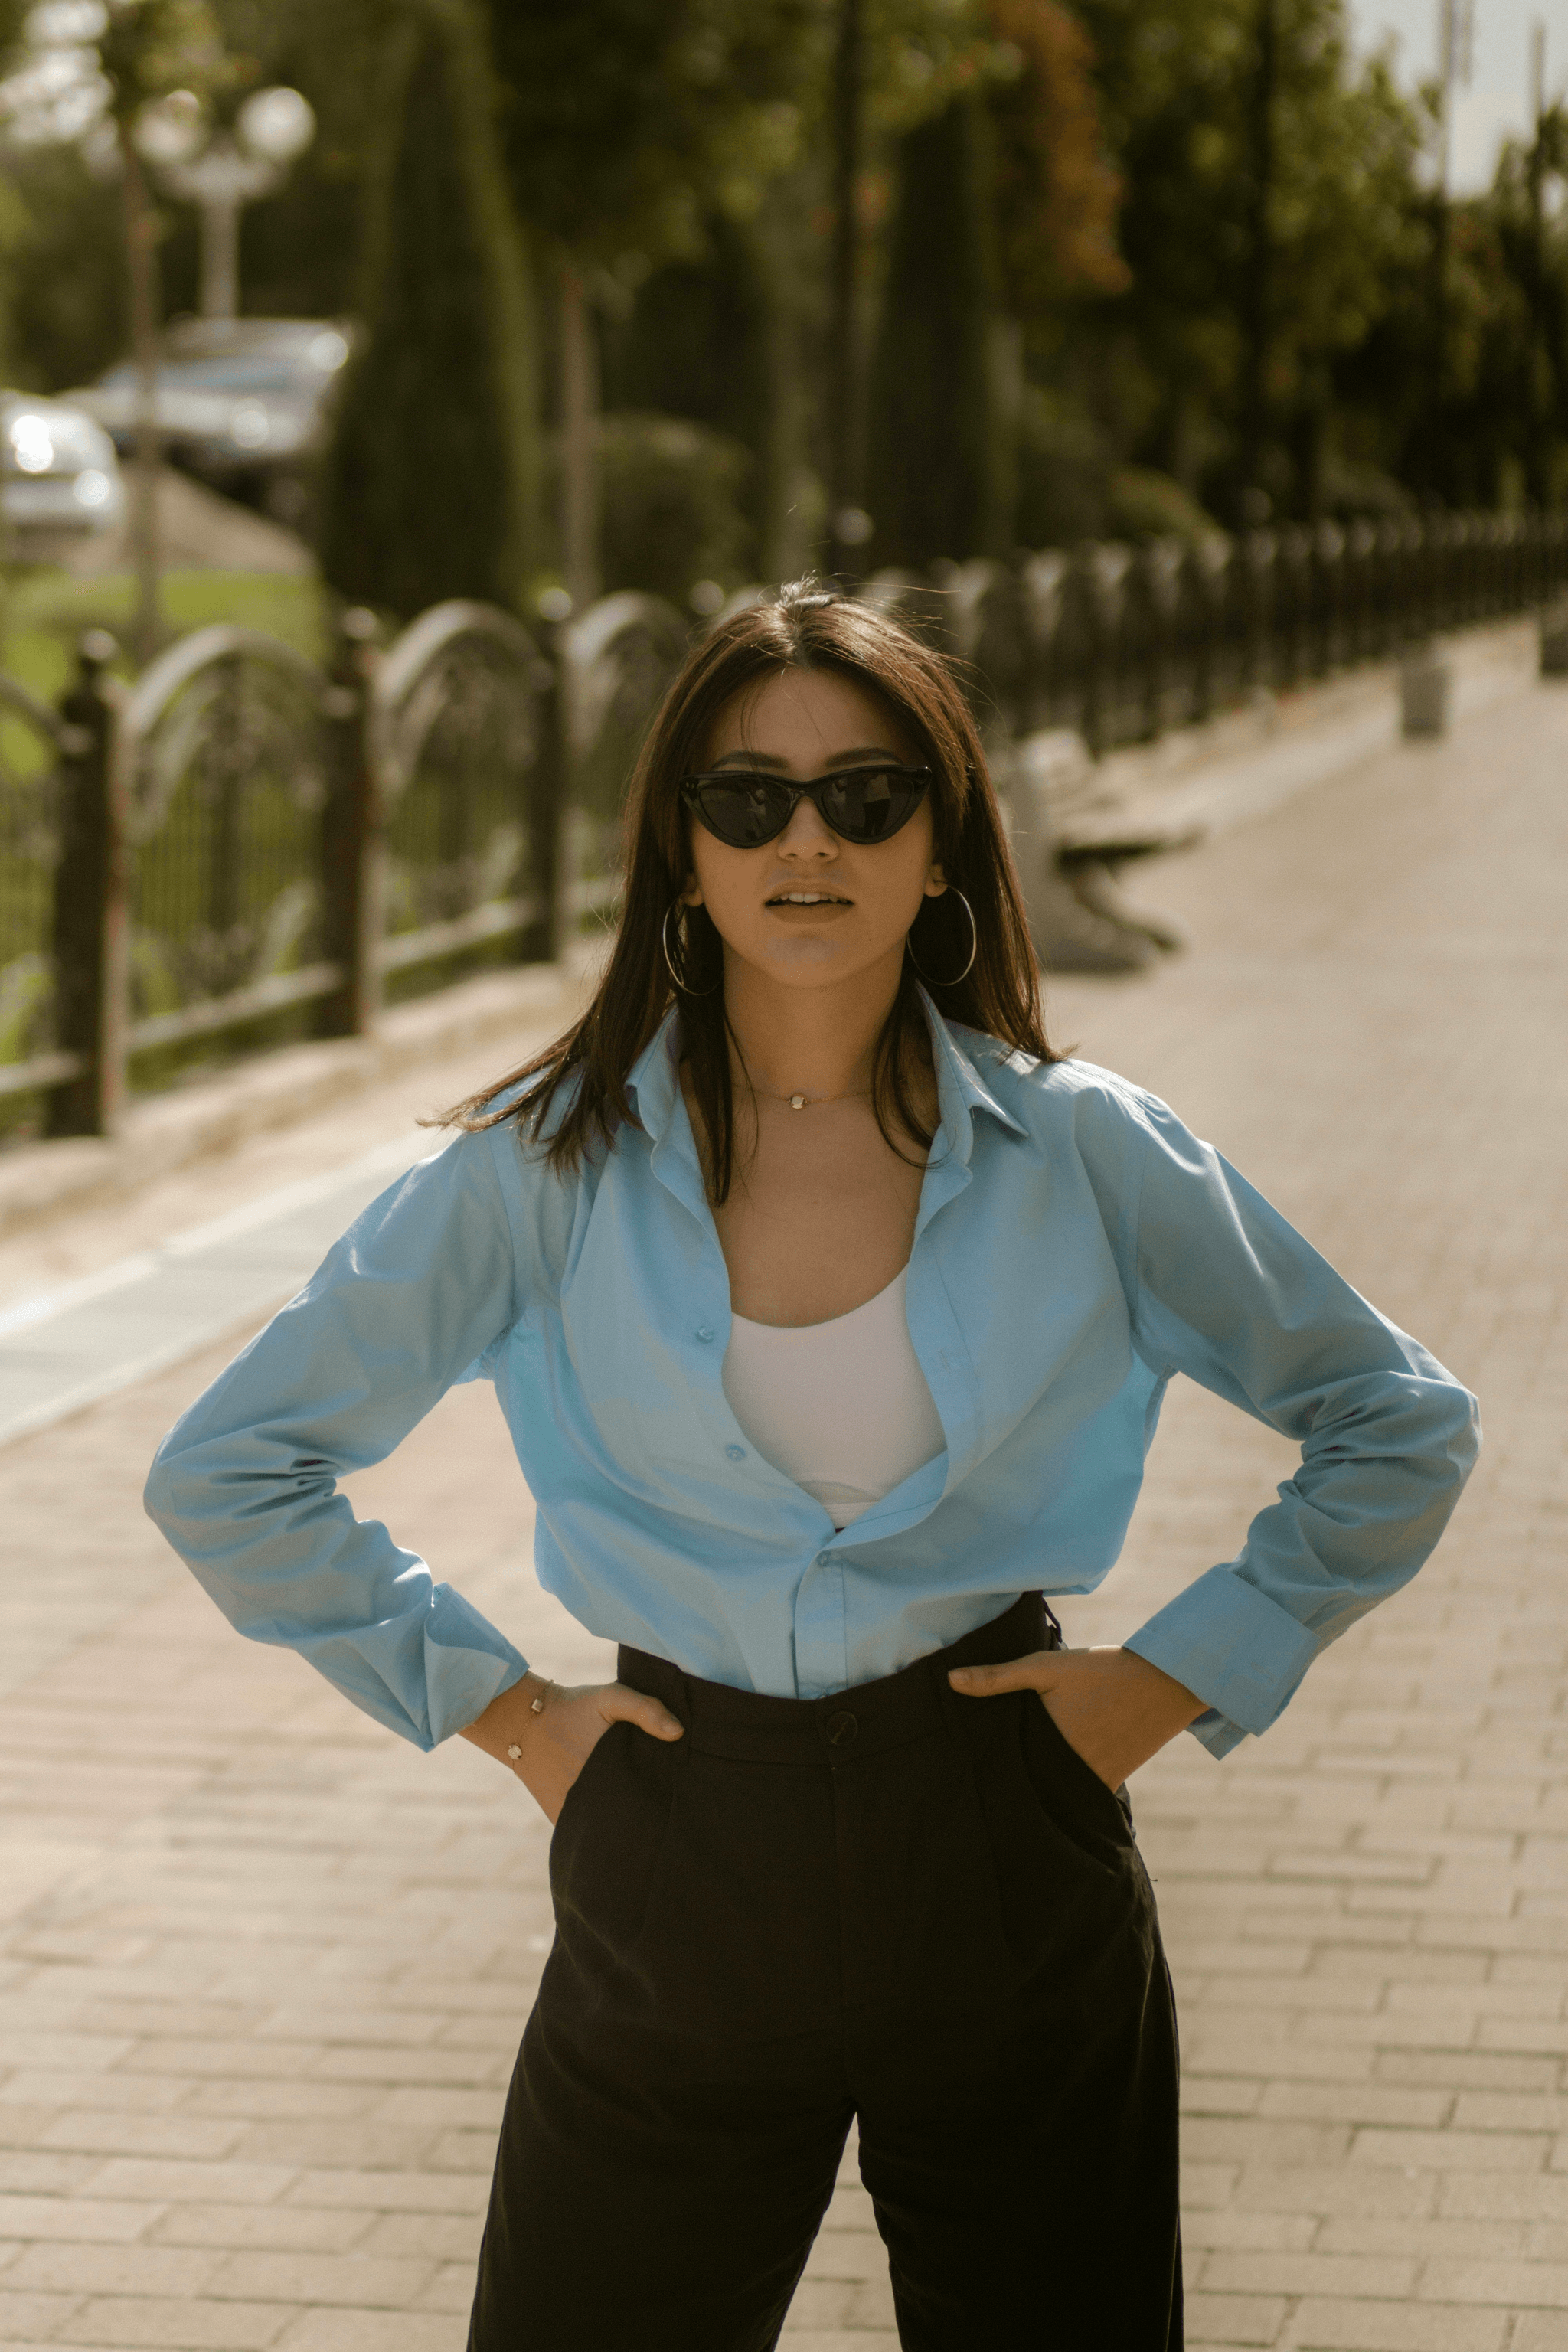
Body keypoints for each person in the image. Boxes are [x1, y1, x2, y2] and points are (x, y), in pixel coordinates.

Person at [145, 581, 1479, 2351]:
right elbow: (229, 1469)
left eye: (866, 797)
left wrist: (1167, 1686)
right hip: (679, 1848)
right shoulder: (542, 1172)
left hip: (1005, 1838)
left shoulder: (1085, 1153)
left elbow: (1396, 1417)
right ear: (676, 849)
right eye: (745, 797)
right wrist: (503, 1712)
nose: (805, 840)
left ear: (940, 845)